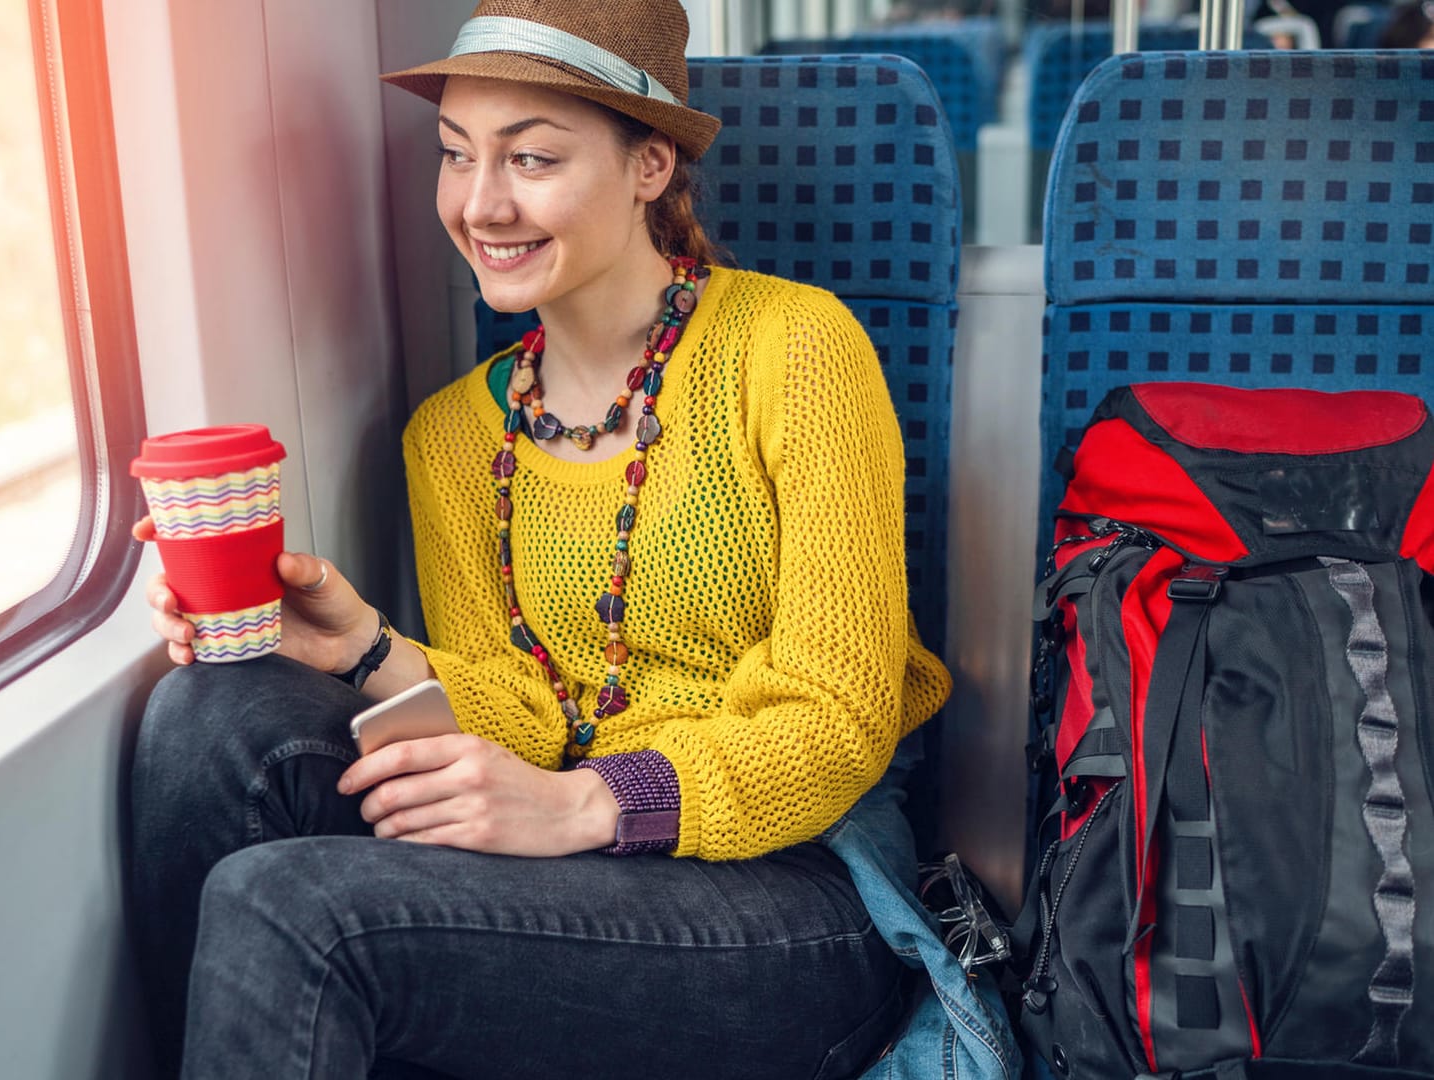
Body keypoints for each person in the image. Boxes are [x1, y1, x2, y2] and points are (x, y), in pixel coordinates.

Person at [127, 1, 951, 1077]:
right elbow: (533, 713)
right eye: (457, 156)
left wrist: (583, 804)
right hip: (574, 858)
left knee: (291, 904)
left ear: (649, 165)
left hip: (797, 891)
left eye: (533, 158)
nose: (481, 204)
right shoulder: (456, 436)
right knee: (206, 713)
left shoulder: (794, 349)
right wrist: (367, 650)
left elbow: (840, 720)